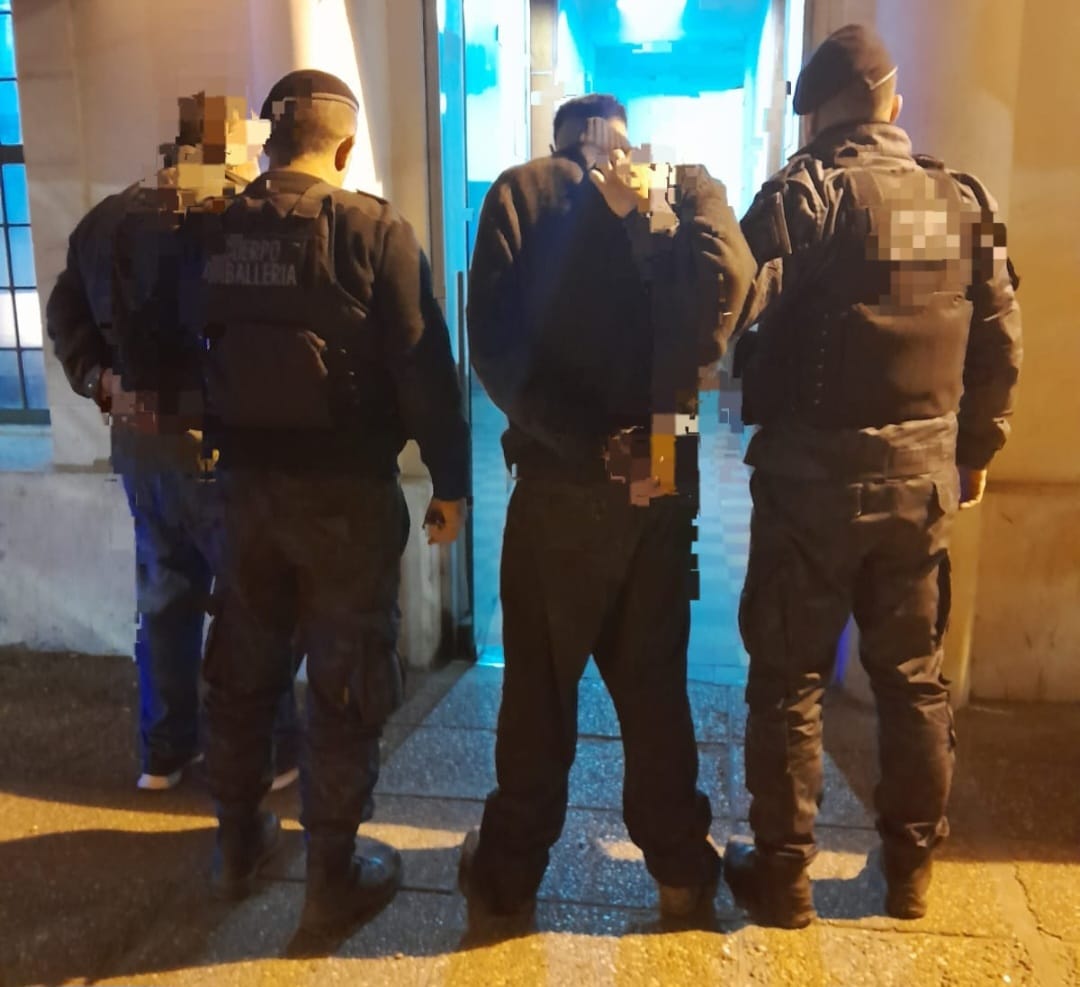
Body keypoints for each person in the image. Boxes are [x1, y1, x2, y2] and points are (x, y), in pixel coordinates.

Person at [723, 24, 1023, 928]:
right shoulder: (959, 201)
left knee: (789, 679)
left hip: (809, 488)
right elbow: (999, 341)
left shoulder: (806, 196)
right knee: (913, 679)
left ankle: (783, 875)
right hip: (919, 486)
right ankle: (910, 871)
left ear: (817, 114)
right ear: (892, 103)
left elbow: (727, 299)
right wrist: (975, 452)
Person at [460, 93, 756, 919]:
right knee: (655, 682)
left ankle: (508, 874)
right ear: (622, 137)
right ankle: (680, 869)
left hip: (561, 484)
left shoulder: (521, 192)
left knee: (539, 690)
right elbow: (732, 287)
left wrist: (577, 439)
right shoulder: (679, 189)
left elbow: (493, 349)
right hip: (662, 470)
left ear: (560, 139)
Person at [189, 70, 469, 938]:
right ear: (344, 147)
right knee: (346, 683)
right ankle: (330, 875)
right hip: (345, 501)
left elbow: (168, 345)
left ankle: (237, 845)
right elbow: (424, 372)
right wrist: (451, 483)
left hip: (240, 495)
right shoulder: (374, 232)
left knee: (242, 672)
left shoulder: (209, 229)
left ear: (268, 142)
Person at [44, 93, 301, 792]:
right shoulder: (239, 214)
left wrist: (99, 380)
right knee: (253, 599)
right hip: (223, 441)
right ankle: (265, 751)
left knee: (163, 594)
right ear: (232, 144)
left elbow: (64, 310)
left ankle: (164, 753)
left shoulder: (108, 216)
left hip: (140, 440)